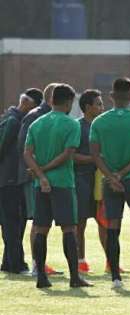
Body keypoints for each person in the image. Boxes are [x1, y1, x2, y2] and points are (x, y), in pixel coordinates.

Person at [23, 83, 92, 288]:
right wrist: (45, 169)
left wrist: (40, 174)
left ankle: (41, 278)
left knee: (41, 229)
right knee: (69, 228)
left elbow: (26, 153)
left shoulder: (37, 123)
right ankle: (74, 278)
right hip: (63, 183)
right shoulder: (72, 125)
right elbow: (68, 154)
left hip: (40, 184)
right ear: (70, 102)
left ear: (51, 100)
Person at [90, 78, 130, 288]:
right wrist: (124, 173)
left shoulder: (99, 122)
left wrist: (111, 176)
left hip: (110, 183)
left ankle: (115, 277)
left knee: (113, 229)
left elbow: (96, 155)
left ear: (112, 96)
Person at [18, 83, 62, 276]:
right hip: (36, 176)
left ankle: (40, 262)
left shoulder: (51, 116)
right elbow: (24, 145)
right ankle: (37, 264)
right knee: (38, 219)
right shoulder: (35, 116)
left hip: (46, 174)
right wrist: (38, 171)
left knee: (43, 219)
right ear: (52, 97)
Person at [0, 88, 42, 274]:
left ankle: (8, 263)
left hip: (8, 179)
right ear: (26, 103)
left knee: (12, 222)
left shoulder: (9, 117)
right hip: (10, 179)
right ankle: (16, 264)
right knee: (13, 223)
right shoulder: (14, 121)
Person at [74, 89, 107, 274]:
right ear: (88, 107)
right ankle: (80, 261)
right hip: (82, 180)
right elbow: (72, 156)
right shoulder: (77, 127)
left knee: (105, 221)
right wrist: (95, 159)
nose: (102, 107)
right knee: (80, 223)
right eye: (99, 104)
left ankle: (111, 261)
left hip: (101, 180)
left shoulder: (102, 126)